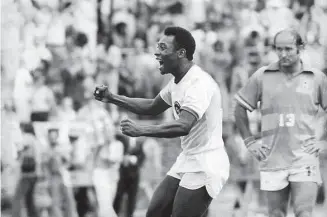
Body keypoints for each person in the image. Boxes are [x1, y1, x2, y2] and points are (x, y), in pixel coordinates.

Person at [94, 26, 230, 217]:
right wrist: (112, 98)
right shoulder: (177, 82)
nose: (157, 52)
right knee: (155, 213)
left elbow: (184, 125)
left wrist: (141, 130)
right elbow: (151, 106)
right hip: (189, 158)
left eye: (163, 47)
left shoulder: (198, 84)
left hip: (206, 162)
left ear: (181, 53)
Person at [234, 29, 327, 217]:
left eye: (288, 49)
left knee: (304, 213)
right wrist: (250, 142)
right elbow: (239, 108)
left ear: (300, 48)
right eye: (279, 49)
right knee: (276, 214)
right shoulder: (262, 76)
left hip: (304, 158)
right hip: (272, 159)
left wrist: (323, 141)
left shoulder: (316, 78)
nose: (283, 54)